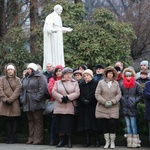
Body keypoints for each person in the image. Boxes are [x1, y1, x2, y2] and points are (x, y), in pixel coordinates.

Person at [20, 63, 47, 145]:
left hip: (36, 102)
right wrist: (22, 99)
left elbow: (43, 88)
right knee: (30, 120)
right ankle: (31, 138)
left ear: (34, 69)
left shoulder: (40, 77)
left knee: (37, 120)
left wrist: (37, 98)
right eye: (28, 69)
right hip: (27, 102)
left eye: (30, 69)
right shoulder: (26, 78)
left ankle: (38, 139)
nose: (29, 70)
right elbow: (21, 89)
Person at [52, 67, 80, 148]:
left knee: (68, 125)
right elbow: (54, 92)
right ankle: (61, 141)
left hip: (69, 107)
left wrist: (67, 97)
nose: (69, 75)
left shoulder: (75, 83)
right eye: (67, 74)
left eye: (70, 74)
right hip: (59, 107)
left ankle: (69, 141)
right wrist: (61, 98)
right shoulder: (58, 82)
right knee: (60, 125)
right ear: (63, 75)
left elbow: (77, 93)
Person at [95, 66, 121, 149]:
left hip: (113, 107)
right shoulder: (101, 83)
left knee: (112, 123)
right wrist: (104, 102)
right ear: (106, 74)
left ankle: (112, 141)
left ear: (113, 74)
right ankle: (107, 142)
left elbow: (119, 94)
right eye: (109, 73)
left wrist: (113, 101)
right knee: (104, 125)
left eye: (111, 73)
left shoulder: (116, 83)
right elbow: (97, 94)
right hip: (103, 107)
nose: (110, 74)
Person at [43, 4, 73, 69]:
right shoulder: (51, 16)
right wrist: (52, 30)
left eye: (61, 10)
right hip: (53, 38)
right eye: (60, 10)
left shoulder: (59, 17)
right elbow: (48, 26)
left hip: (58, 38)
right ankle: (52, 66)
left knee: (59, 51)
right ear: (56, 9)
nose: (61, 11)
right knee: (53, 51)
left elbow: (59, 27)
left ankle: (59, 66)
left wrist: (66, 29)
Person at [120, 68, 142, 148]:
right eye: (126, 76)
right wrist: (122, 100)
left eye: (130, 76)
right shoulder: (122, 85)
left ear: (132, 76)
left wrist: (135, 101)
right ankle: (129, 141)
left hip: (133, 106)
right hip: (125, 106)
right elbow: (120, 94)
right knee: (128, 125)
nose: (128, 77)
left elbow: (140, 94)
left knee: (133, 124)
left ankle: (135, 141)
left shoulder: (136, 84)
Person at [77, 69, 100, 147]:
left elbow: (96, 94)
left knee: (95, 124)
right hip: (84, 107)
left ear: (91, 76)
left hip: (93, 106)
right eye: (84, 76)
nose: (86, 77)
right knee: (85, 124)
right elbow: (79, 94)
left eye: (87, 75)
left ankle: (97, 141)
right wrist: (83, 100)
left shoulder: (96, 83)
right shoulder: (81, 84)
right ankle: (87, 140)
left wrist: (89, 100)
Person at [0, 63, 21, 144]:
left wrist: (11, 99)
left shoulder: (18, 79)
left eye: (11, 69)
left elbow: (17, 91)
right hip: (5, 103)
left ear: (14, 70)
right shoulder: (2, 79)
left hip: (14, 102)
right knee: (7, 120)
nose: (10, 71)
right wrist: (5, 99)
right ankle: (9, 137)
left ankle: (12, 137)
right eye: (8, 69)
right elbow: (0, 90)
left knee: (14, 120)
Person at [48, 65, 63, 145]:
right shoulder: (52, 80)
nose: (58, 73)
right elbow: (51, 91)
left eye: (60, 71)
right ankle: (52, 139)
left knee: (63, 122)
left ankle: (63, 140)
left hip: (65, 103)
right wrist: (60, 96)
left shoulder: (66, 80)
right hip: (55, 103)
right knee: (54, 122)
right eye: (57, 71)